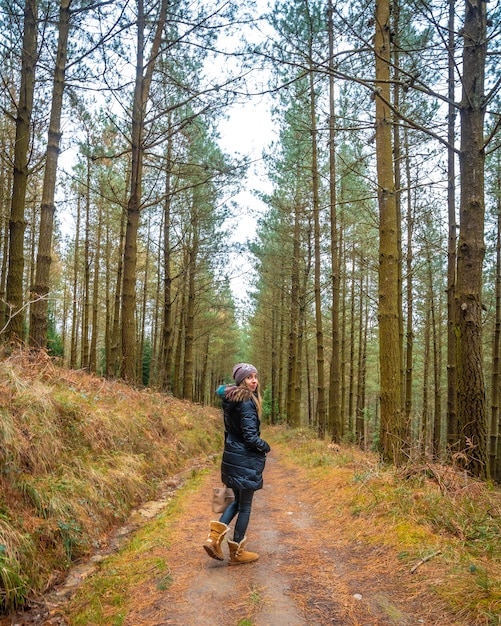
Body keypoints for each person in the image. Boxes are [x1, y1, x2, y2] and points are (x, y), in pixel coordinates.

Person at [203, 362, 270, 565]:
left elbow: (230, 431)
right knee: (245, 506)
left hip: (232, 456)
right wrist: (265, 446)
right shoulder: (247, 402)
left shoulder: (231, 399)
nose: (254, 380)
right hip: (245, 459)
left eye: (256, 376)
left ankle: (213, 539)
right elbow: (250, 437)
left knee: (234, 502)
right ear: (241, 380)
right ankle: (237, 552)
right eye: (249, 377)